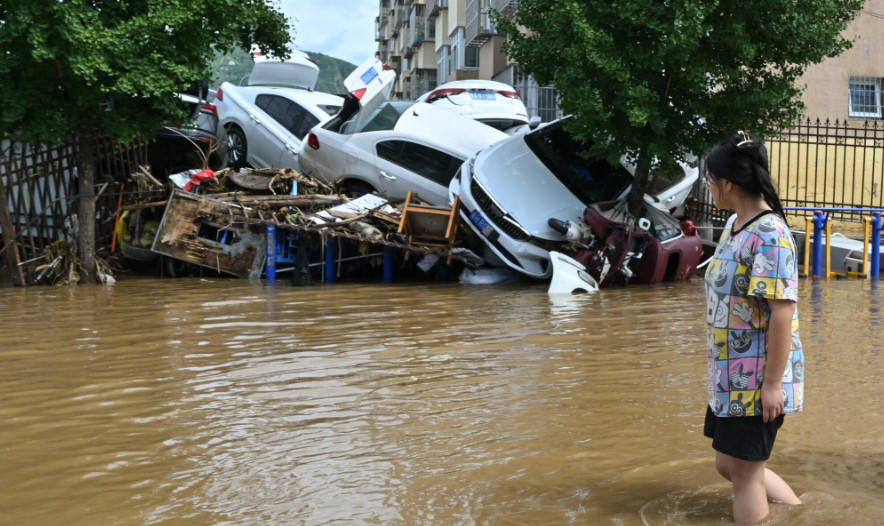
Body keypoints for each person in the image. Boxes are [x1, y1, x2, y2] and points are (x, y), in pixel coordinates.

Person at [702, 132, 804, 524]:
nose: (709, 187)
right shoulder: (735, 225)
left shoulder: (771, 236)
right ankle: (798, 513)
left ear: (726, 184)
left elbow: (782, 313)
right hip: (730, 373)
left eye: (710, 180)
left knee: (743, 472)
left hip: (756, 378)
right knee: (729, 464)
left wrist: (772, 385)